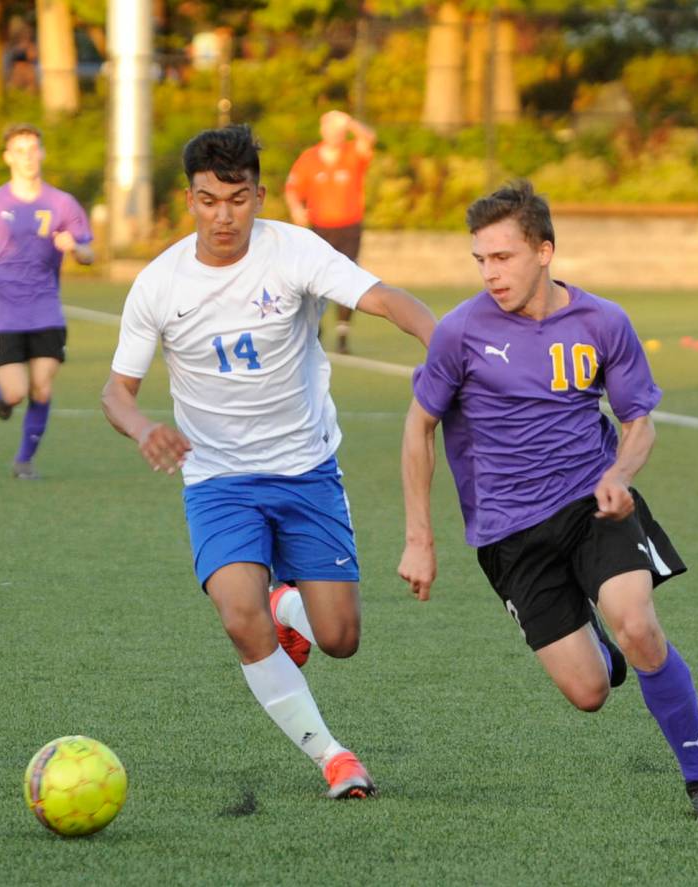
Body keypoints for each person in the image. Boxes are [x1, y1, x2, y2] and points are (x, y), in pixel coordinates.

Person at [397, 180, 698, 823]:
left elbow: (639, 418)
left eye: (502, 257)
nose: (489, 273)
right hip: (507, 533)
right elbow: (419, 426)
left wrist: (619, 473)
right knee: (589, 691)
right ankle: (596, 643)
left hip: (593, 504)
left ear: (545, 251)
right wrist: (420, 537)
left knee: (639, 626)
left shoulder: (602, 322)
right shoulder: (459, 332)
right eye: (480, 259)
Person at [101, 124, 435, 799]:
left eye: (237, 198)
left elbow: (386, 299)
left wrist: (447, 343)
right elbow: (116, 390)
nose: (223, 216)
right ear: (188, 199)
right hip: (218, 479)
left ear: (258, 194)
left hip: (307, 470)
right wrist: (140, 428)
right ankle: (333, 756)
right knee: (237, 615)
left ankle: (288, 600)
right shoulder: (159, 283)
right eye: (207, 200)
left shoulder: (295, 251)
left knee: (340, 638)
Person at [0, 123, 93, 480]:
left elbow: (89, 251)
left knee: (43, 387)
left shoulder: (62, 202)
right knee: (17, 392)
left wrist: (76, 249)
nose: (28, 157)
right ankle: (2, 394)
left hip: (45, 306)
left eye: (33, 149)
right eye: (20, 150)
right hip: (1, 308)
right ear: (7, 158)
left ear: (42, 153)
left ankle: (24, 460)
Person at [285, 110, 376, 355]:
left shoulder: (352, 154)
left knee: (348, 275)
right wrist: (296, 209)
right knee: (315, 278)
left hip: (349, 226)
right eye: (330, 128)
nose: (334, 134)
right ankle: (316, 327)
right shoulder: (309, 158)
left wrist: (350, 122)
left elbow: (369, 139)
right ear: (322, 131)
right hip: (319, 228)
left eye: (338, 129)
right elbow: (292, 188)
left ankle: (343, 333)